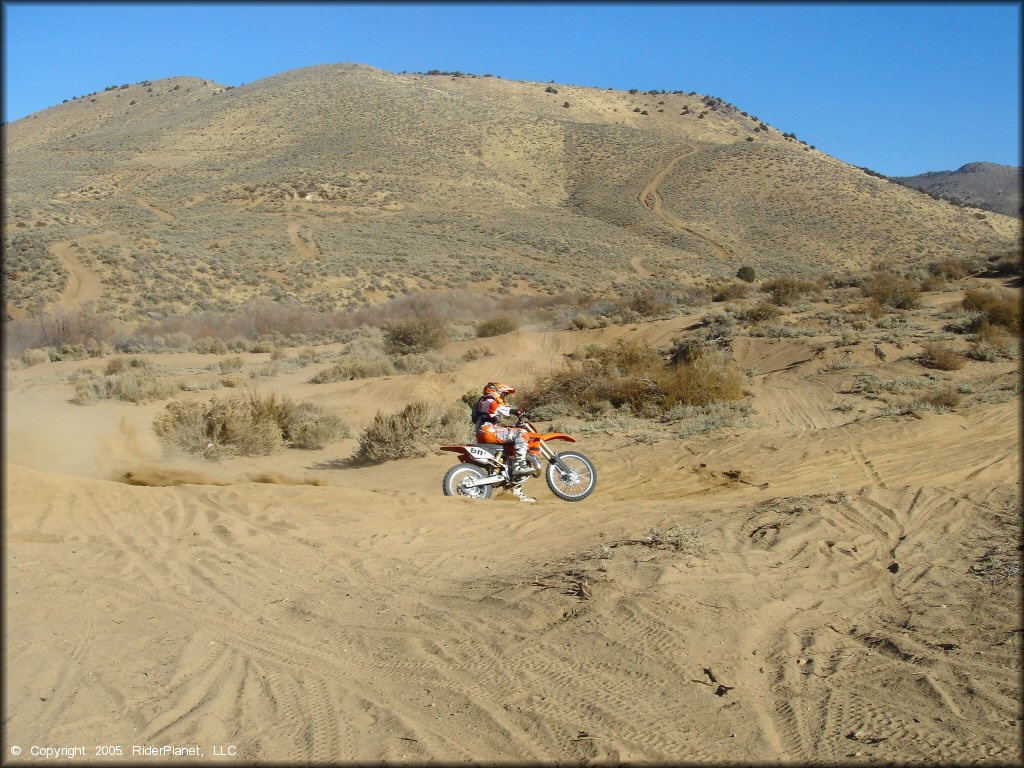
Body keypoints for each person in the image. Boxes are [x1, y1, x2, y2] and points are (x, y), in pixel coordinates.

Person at [473, 382, 535, 503]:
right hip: (488, 431)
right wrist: (514, 411)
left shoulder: (486, 401)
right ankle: (519, 465)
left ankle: (516, 492)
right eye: (503, 395)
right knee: (521, 433)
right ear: (495, 391)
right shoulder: (487, 400)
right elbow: (496, 408)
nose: (503, 398)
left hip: (486, 431)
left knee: (510, 457)